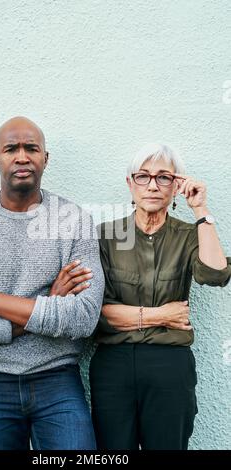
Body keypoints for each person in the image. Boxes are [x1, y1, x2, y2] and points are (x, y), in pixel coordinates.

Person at [0, 116, 105, 450]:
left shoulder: (74, 221)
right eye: (11, 149)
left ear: (45, 158)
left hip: (57, 378)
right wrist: (47, 305)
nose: (22, 156)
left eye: (32, 148)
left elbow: (84, 318)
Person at [90, 143, 231, 450]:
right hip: (114, 365)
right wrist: (163, 315)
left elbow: (216, 274)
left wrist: (200, 210)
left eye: (163, 177)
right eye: (143, 176)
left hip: (170, 366)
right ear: (130, 183)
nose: (152, 185)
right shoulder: (105, 236)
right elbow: (96, 312)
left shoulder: (189, 234)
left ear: (176, 185)